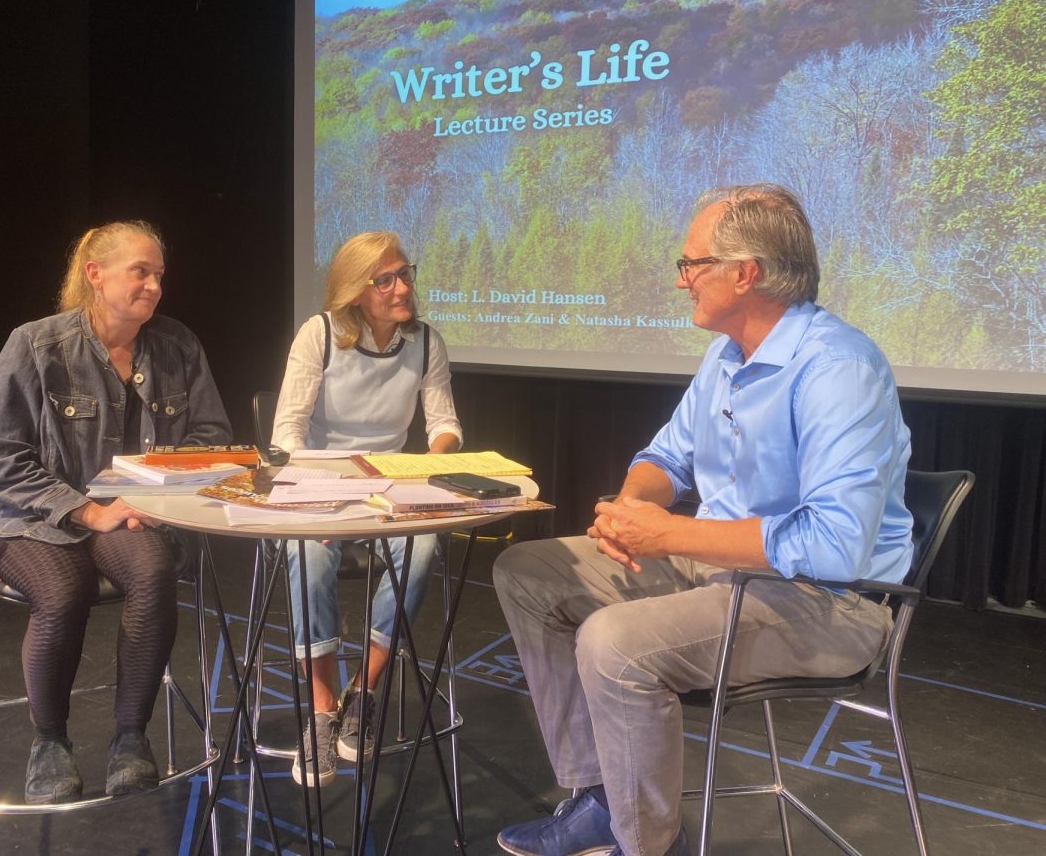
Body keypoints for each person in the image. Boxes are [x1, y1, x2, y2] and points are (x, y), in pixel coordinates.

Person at [493, 184, 913, 856]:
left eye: (692, 265)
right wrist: (633, 507)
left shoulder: (838, 368)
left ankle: (650, 845)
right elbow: (666, 457)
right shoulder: (726, 357)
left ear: (745, 273)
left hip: (829, 605)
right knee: (531, 571)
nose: (681, 280)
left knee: (614, 643)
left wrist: (671, 535)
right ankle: (602, 799)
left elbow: (834, 546)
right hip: (721, 571)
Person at [0, 220, 232, 804]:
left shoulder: (178, 346)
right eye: (140, 271)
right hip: (24, 514)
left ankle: (130, 738)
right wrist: (84, 512)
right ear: (96, 274)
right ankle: (50, 742)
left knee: (152, 571)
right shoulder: (37, 344)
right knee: (64, 590)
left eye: (159, 274)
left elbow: (209, 437)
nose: (155, 286)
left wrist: (157, 491)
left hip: (125, 510)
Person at [272, 230, 463, 786]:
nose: (402, 287)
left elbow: (445, 421)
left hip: (389, 487)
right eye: (387, 279)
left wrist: (428, 463)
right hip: (320, 481)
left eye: (405, 273)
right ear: (357, 291)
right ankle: (323, 709)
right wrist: (324, 489)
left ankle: (366, 693)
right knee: (308, 555)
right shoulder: (321, 336)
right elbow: (286, 432)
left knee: (424, 545)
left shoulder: (425, 341)